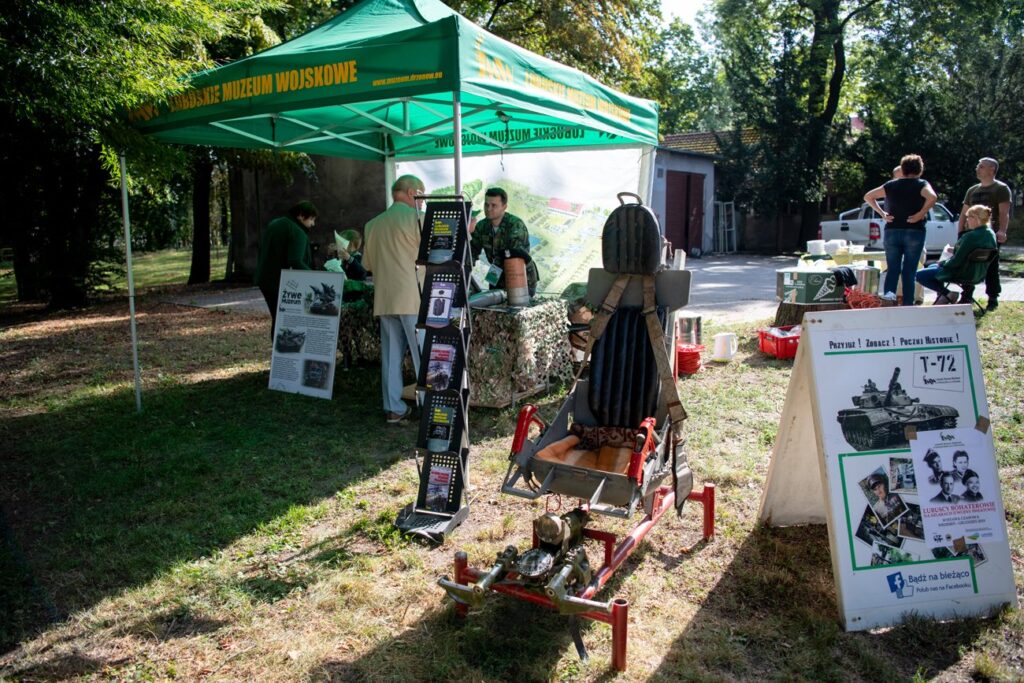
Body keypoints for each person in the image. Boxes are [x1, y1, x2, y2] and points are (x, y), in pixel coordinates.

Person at [363, 175, 425, 423]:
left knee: (390, 357)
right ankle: (430, 407)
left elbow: (367, 264)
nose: (422, 201)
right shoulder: (416, 218)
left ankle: (393, 409)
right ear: (411, 193)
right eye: (421, 194)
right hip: (412, 298)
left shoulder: (372, 224)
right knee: (423, 355)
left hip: (385, 298)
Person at [864, 154, 938, 305]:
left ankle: (888, 302)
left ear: (902, 169)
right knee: (909, 271)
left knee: (892, 269)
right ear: (920, 170)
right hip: (914, 231)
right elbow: (932, 197)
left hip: (892, 231)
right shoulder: (921, 184)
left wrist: (882, 213)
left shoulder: (891, 185)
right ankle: (908, 305)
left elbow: (868, 196)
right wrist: (920, 214)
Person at [255, 201, 316, 338]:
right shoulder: (298, 231)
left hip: (265, 279)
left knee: (277, 317)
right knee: (283, 320)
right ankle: (283, 354)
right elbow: (295, 260)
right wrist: (314, 277)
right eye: (311, 219)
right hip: (281, 282)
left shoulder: (276, 223)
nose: (313, 224)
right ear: (301, 216)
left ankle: (279, 353)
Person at [958, 157, 1012, 311]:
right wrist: (960, 232)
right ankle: (967, 295)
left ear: (991, 170)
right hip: (970, 235)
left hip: (990, 235)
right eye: (978, 166)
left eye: (981, 166)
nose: (977, 168)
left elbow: (1004, 213)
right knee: (968, 264)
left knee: (991, 266)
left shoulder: (1001, 189)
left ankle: (993, 298)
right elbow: (964, 213)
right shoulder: (972, 190)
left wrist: (1001, 231)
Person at [915, 205, 997, 304]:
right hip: (977, 272)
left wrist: (942, 263)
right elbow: (970, 251)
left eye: (969, 217)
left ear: (976, 218)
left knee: (920, 275)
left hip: (962, 272)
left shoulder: (970, 236)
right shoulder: (990, 234)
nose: (967, 220)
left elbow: (956, 261)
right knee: (933, 266)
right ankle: (945, 296)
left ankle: (947, 294)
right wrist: (954, 250)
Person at [469, 187, 540, 297]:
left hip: (521, 277)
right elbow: (471, 251)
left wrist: (493, 280)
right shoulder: (482, 226)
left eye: (494, 205)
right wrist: (464, 268)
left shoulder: (515, 225)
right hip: (497, 274)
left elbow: (514, 255)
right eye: (486, 205)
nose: (489, 209)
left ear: (504, 207)